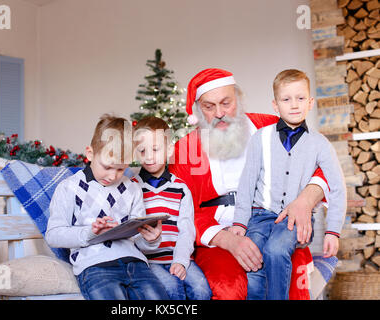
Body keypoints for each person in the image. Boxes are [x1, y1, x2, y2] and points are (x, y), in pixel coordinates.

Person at [169, 68, 331, 300]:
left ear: (238, 98)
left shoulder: (272, 127)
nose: (219, 113)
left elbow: (320, 164)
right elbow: (181, 209)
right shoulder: (184, 150)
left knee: (291, 270)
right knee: (228, 286)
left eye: (226, 103)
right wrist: (227, 240)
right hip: (219, 234)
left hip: (273, 220)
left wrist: (305, 201)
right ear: (198, 109)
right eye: (209, 107)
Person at [231, 69, 346, 300]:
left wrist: (333, 231)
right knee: (252, 261)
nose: (294, 105)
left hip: (294, 220)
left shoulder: (320, 144)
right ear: (275, 105)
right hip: (259, 215)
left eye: (300, 98)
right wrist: (240, 223)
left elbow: (337, 187)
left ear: (310, 102)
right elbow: (247, 183)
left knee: (275, 250)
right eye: (286, 99)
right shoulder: (260, 138)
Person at [45, 114, 169, 300]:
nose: (112, 176)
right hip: (95, 265)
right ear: (90, 154)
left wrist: (151, 239)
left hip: (135, 263)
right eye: (107, 167)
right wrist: (89, 232)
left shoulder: (132, 188)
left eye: (121, 169)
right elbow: (53, 235)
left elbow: (138, 238)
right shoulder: (69, 188)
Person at [131, 116, 212, 300]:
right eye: (142, 150)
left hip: (179, 257)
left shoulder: (181, 189)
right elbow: (130, 231)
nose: (149, 156)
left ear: (168, 150)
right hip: (149, 261)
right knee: (171, 288)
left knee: (201, 290)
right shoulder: (132, 187)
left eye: (155, 149)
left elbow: (187, 231)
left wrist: (181, 262)